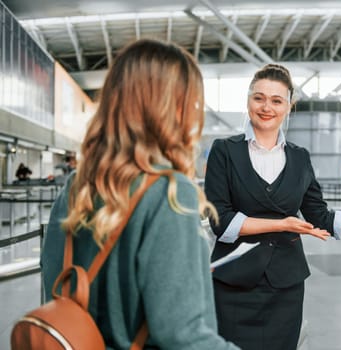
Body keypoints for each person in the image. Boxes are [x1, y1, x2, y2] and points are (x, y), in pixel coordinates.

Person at [204, 63, 341, 350]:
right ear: (248, 101)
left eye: (277, 100)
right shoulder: (224, 151)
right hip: (234, 285)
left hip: (286, 285)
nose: (267, 106)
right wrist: (282, 224)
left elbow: (321, 217)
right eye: (259, 98)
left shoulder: (300, 158)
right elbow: (222, 222)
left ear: (288, 106)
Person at [41, 39, 239, 349]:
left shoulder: (77, 186)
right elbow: (183, 335)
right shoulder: (170, 192)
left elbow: (55, 288)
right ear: (173, 108)